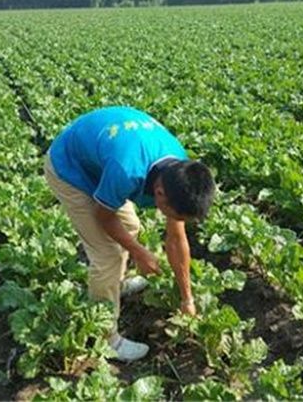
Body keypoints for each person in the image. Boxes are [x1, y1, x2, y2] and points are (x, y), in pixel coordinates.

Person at [44, 106, 215, 362]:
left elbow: (176, 239)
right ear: (159, 194)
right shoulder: (128, 171)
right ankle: (107, 339)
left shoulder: (179, 172)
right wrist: (138, 251)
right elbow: (104, 216)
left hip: (104, 160)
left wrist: (187, 299)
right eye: (175, 215)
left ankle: (117, 285)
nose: (176, 222)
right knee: (108, 256)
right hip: (70, 168)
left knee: (131, 228)